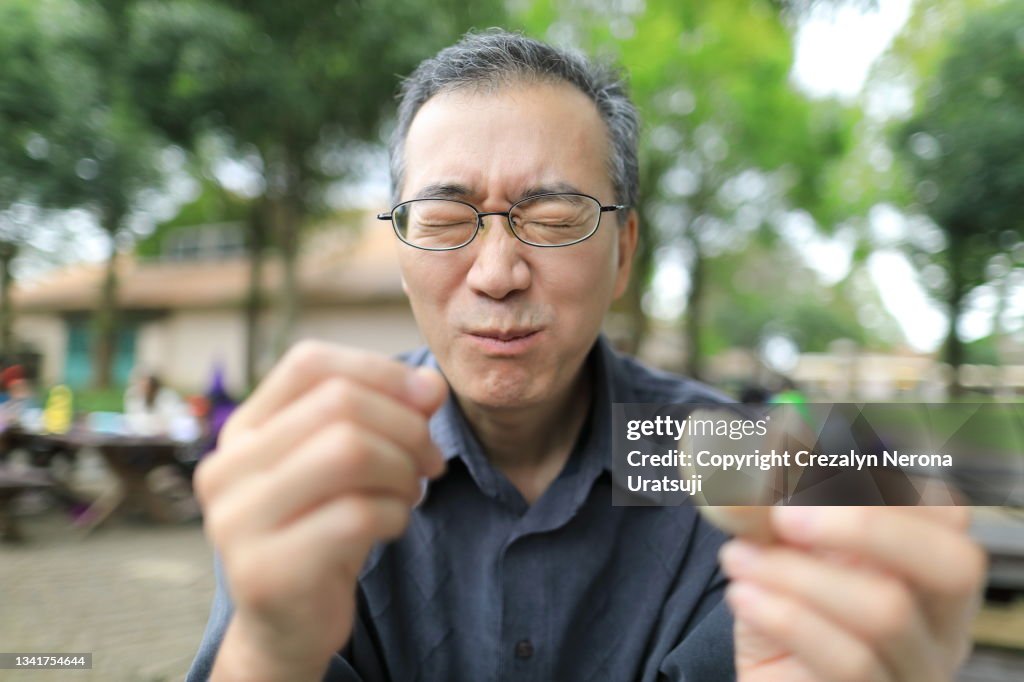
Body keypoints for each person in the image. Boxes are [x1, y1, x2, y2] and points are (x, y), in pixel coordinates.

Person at [187, 30, 987, 682]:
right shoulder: (327, 466)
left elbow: (899, 499)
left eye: (555, 215)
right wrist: (264, 654)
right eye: (443, 217)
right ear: (401, 248)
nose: (497, 274)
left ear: (624, 253)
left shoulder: (704, 451)